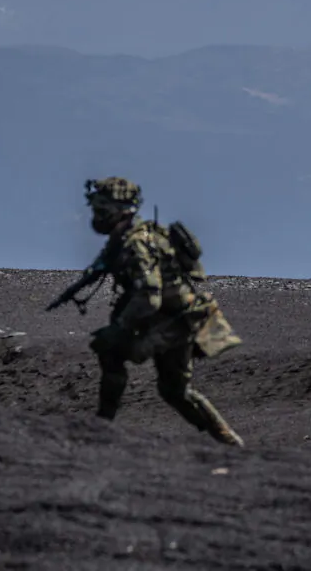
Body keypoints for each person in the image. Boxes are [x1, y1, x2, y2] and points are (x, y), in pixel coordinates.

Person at [62, 176, 245, 447]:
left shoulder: (136, 243)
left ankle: (101, 426)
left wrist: (120, 327)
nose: (97, 216)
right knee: (175, 391)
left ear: (120, 210)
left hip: (172, 323)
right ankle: (230, 443)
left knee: (110, 349)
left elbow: (150, 296)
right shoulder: (140, 235)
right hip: (178, 318)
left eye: (103, 209)